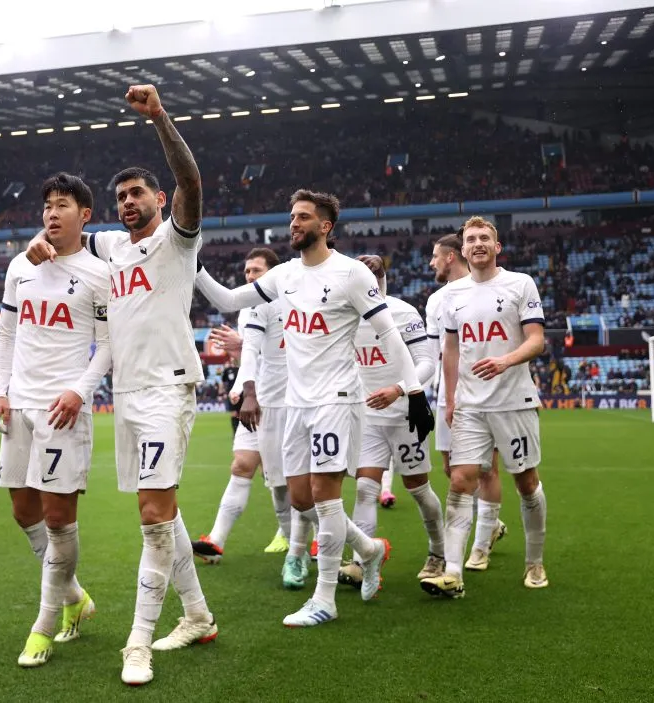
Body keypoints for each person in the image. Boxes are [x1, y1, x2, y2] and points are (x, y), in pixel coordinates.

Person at [26, 84, 216, 686]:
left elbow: (192, 183)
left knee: (153, 517)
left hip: (167, 389)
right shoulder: (109, 246)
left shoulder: (177, 238)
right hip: (127, 396)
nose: (127, 201)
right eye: (120, 196)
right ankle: (198, 615)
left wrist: (160, 117)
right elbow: (66, 239)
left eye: (137, 193)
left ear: (159, 198)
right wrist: (38, 245)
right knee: (166, 512)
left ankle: (137, 644)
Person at [194, 189, 434, 627]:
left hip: (336, 400)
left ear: (325, 226)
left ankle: (324, 600)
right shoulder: (284, 275)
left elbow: (389, 335)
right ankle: (370, 548)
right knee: (301, 500)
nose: (294, 224)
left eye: (303, 217)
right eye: (292, 217)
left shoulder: (351, 273)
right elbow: (229, 301)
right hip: (295, 402)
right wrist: (193, 263)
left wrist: (414, 392)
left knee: (324, 499)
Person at [0, 172, 110, 668]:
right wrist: (0, 393)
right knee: (24, 512)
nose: (51, 213)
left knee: (59, 519)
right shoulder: (21, 265)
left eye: (62, 205)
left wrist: (80, 392)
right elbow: (7, 336)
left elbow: (107, 346)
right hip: (20, 407)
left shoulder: (100, 274)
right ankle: (75, 597)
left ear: (84, 215)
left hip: (63, 410)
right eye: (46, 206)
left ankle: (43, 626)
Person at [421, 216, 548, 599]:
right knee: (460, 481)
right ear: (462, 250)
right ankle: (454, 573)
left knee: (526, 482)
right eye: (471, 239)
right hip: (470, 406)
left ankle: (534, 561)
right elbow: (452, 349)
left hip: (513, 402)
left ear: (497, 247)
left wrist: (505, 361)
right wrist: (450, 397)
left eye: (485, 238)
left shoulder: (520, 284)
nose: (477, 243)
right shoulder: (451, 295)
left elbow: (537, 340)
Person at [338, 262, 442, 588]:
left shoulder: (403, 313)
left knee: (418, 489)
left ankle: (438, 552)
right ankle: (362, 560)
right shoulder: (345, 315)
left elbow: (427, 363)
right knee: (366, 488)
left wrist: (398, 389)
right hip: (368, 417)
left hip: (404, 415)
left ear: (383, 280)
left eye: (376, 278)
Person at [191, 247, 292, 563]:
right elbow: (249, 359)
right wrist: (240, 387)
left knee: (285, 481)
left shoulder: (287, 304)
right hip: (254, 401)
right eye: (247, 272)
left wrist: (242, 346)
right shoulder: (248, 310)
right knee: (242, 465)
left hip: (285, 401)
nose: (250, 277)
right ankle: (216, 541)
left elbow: (284, 354)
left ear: (272, 274)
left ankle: (297, 539)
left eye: (256, 271)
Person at [425, 232, 507, 572]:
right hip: (447, 394)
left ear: (449, 257)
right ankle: (491, 525)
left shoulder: (492, 291)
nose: (431, 262)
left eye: (434, 256)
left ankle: (481, 543)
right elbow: (432, 352)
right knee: (454, 471)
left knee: (487, 467)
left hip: (486, 391)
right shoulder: (436, 300)